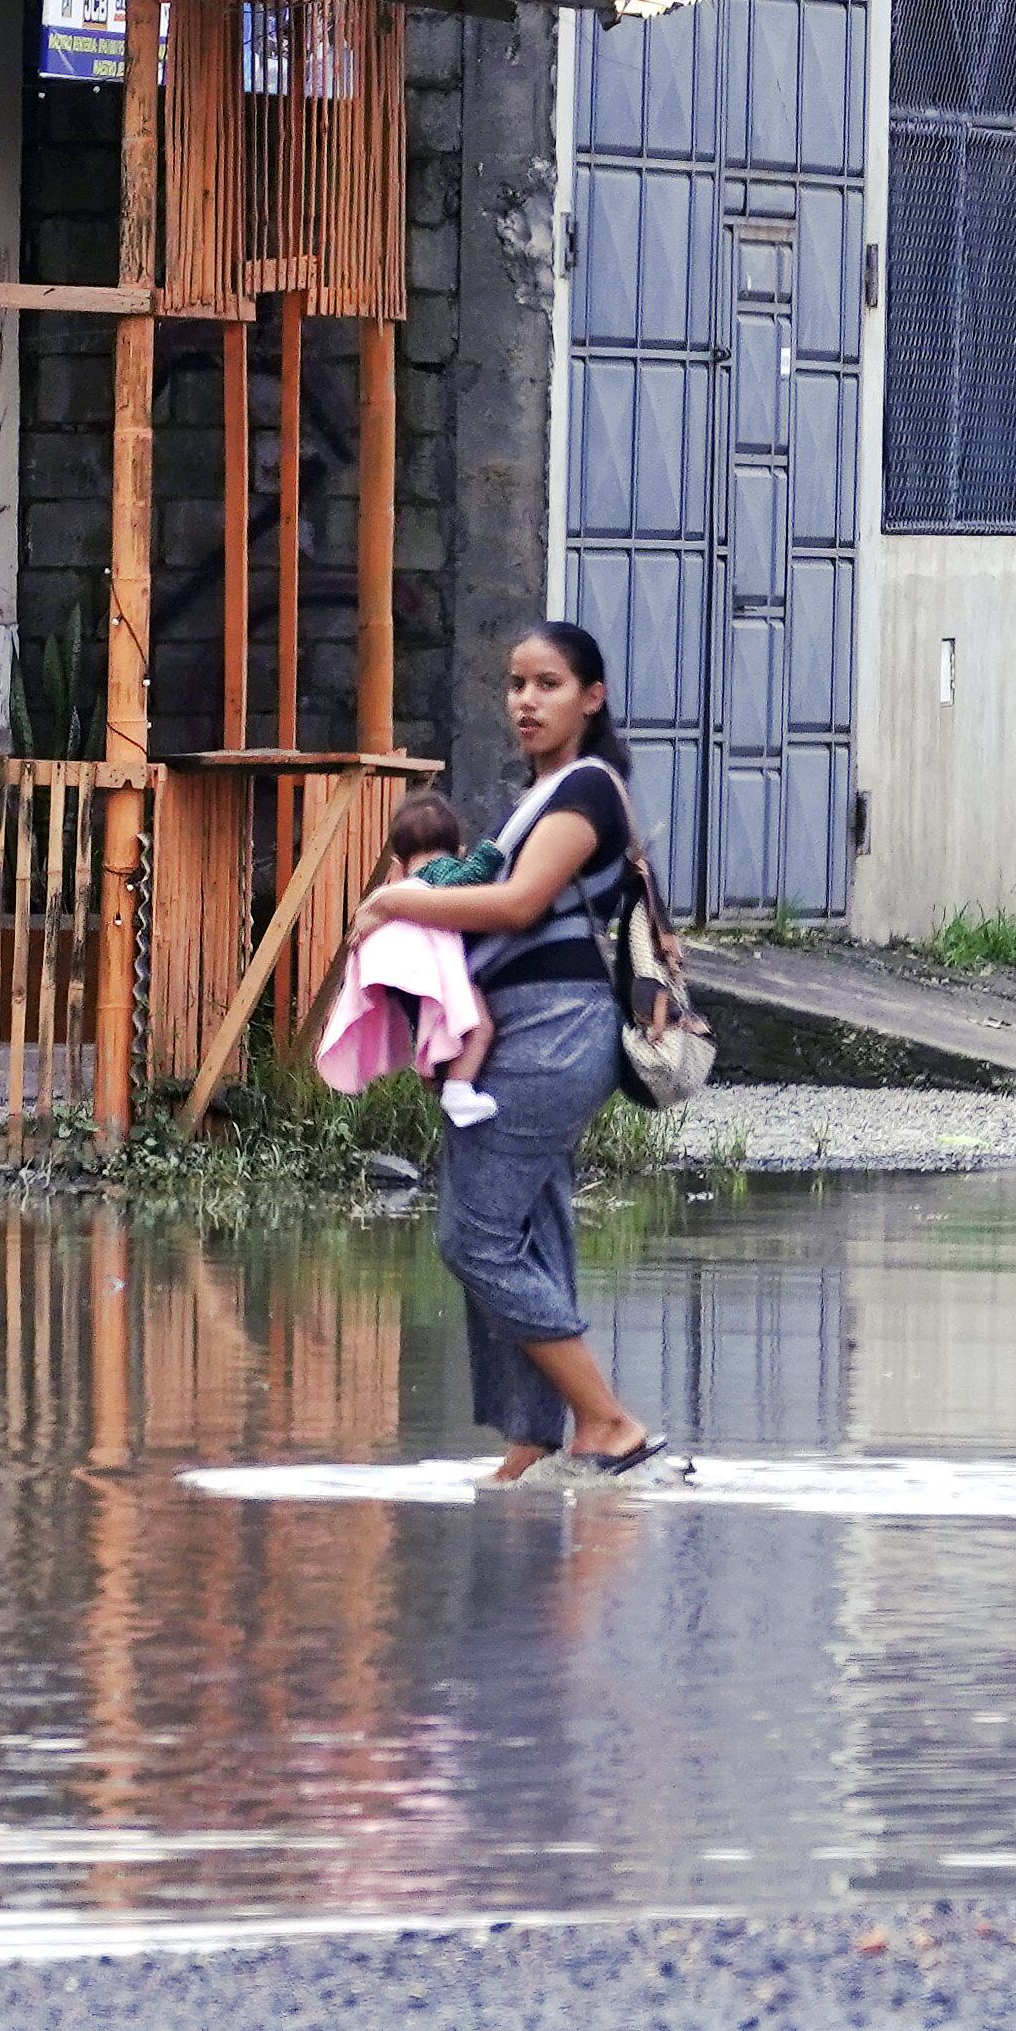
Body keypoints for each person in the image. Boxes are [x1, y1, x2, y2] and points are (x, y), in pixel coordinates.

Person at [345, 623, 673, 1488]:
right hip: (527, 1034)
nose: (526, 701)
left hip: (553, 1034)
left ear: (591, 698)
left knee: (476, 1238)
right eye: (516, 684)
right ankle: (535, 1438)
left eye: (549, 684)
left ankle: (608, 1422)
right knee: (530, 1232)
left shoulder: (587, 793)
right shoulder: (541, 798)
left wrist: (400, 904)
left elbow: (521, 904)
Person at [311, 793, 498, 1128]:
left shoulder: (395, 892)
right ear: (458, 852)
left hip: (397, 978)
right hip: (428, 969)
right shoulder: (444, 873)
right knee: (480, 1027)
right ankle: (458, 1088)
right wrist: (491, 853)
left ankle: (433, 1074)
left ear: (397, 863)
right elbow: (469, 882)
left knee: (426, 1023)